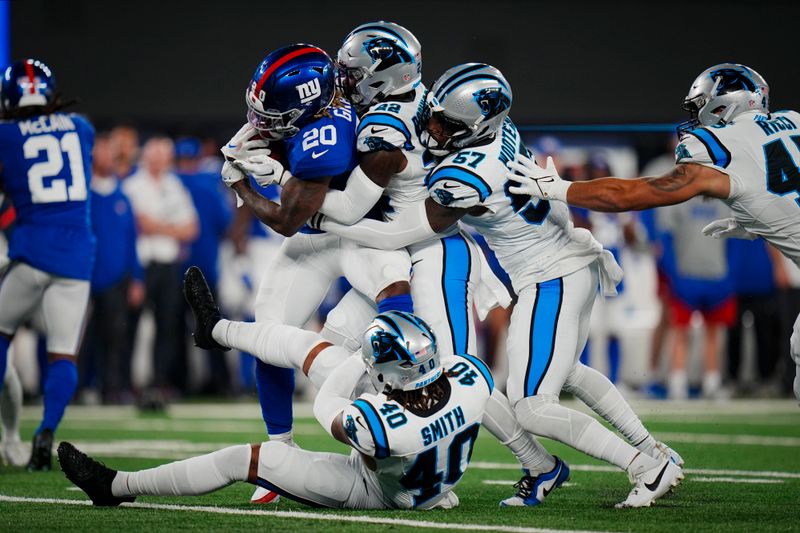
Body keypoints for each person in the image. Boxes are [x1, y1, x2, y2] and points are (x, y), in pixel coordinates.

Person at [308, 63, 683, 508]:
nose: (432, 127)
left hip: (552, 277)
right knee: (569, 374)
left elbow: (399, 233)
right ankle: (651, 449)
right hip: (566, 267)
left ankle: (645, 466)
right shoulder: (494, 133)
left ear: (475, 125)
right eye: (433, 114)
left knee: (530, 405)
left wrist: (325, 220)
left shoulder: (468, 173)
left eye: (445, 122)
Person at [227, 24, 563, 507]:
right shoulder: (368, 96)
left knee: (448, 370)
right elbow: (280, 121)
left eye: (356, 72)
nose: (343, 78)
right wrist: (248, 144)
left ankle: (518, 464)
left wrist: (270, 178)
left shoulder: (387, 125)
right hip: (377, 234)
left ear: (386, 79)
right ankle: (299, 451)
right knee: (320, 345)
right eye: (343, 69)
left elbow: (341, 212)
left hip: (407, 239)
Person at [59, 268, 491, 511]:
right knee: (308, 346)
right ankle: (217, 329)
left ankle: (116, 485)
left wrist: (359, 360)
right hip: (421, 459)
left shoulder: (384, 424)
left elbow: (327, 404)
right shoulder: (467, 377)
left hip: (381, 490)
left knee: (245, 459)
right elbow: (491, 406)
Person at [507, 62, 800, 401]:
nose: (698, 117)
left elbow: (631, 194)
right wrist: (760, 219)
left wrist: (557, 188)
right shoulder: (792, 120)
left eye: (702, 106)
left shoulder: (722, 144)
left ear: (724, 104)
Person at [218, 44, 414, 491]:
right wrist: (258, 140)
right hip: (318, 239)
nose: (260, 123)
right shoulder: (320, 97)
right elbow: (273, 128)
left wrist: (243, 186)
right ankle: (279, 454)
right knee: (269, 335)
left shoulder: (324, 139)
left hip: (360, 233)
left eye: (271, 115)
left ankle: (409, 445)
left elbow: (288, 220)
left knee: (397, 308)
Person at [0, 59, 96, 470]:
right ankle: (47, 430)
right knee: (62, 355)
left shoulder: (4, 135)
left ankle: (11, 434)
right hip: (76, 257)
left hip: (31, 249)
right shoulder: (81, 127)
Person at [123, 137, 198, 403]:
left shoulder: (175, 186)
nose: (157, 159)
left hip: (168, 263)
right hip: (141, 264)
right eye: (153, 153)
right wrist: (170, 228)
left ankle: (159, 383)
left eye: (162, 154)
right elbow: (136, 225)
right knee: (130, 326)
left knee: (168, 326)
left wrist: (158, 226)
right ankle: (125, 384)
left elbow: (191, 229)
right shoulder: (133, 185)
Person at [80, 133, 144, 404]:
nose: (107, 157)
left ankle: (112, 388)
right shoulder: (82, 193)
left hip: (117, 277)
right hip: (85, 276)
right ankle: (79, 388)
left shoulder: (122, 194)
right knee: (81, 338)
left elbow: (131, 239)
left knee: (115, 337)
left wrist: (137, 278)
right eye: (102, 151)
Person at [658, 196, 735, 399]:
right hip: (687, 274)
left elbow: (734, 241)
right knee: (681, 331)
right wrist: (674, 274)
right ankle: (677, 382)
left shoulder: (723, 201)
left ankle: (711, 382)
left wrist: (729, 276)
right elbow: (666, 238)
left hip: (716, 275)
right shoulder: (679, 198)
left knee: (713, 333)